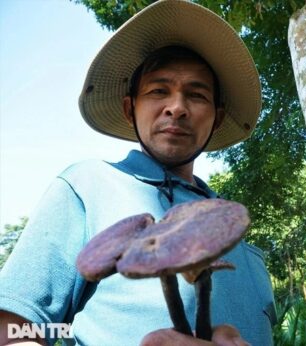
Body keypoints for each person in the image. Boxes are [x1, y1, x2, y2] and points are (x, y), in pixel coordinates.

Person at [0, 1, 276, 345]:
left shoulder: (235, 231)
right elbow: (13, 329)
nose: (176, 107)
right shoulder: (87, 185)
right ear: (130, 108)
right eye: (158, 91)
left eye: (197, 94)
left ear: (217, 117)